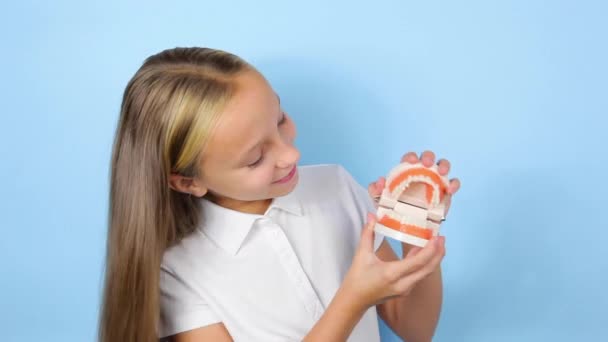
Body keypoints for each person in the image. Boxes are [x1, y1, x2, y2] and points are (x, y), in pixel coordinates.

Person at [98, 47, 461, 342]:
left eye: (281, 119)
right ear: (187, 182)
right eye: (256, 158)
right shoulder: (177, 273)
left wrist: (416, 230)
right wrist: (352, 300)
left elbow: (416, 330)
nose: (292, 155)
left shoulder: (335, 187)